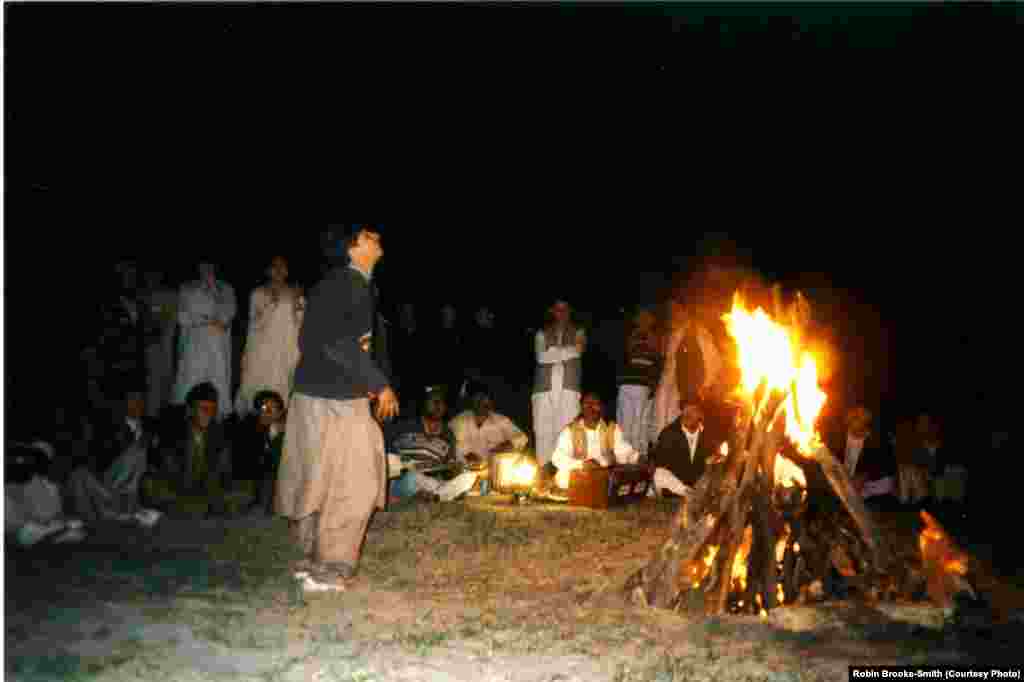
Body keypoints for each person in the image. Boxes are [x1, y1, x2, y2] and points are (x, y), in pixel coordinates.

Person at [275, 223, 399, 590]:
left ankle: (309, 557)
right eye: (369, 235)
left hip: (312, 396)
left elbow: (309, 337)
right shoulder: (351, 284)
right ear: (353, 246)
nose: (378, 238)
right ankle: (330, 568)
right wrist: (378, 384)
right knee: (356, 480)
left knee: (317, 476)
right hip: (338, 400)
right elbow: (338, 341)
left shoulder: (330, 284)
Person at [67, 385, 163, 528]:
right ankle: (115, 513)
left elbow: (159, 459)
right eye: (132, 400)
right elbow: (100, 461)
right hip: (114, 482)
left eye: (140, 400)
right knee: (79, 476)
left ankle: (128, 512)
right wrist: (133, 447)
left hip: (143, 483)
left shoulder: (153, 425)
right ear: (124, 403)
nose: (137, 404)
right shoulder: (109, 428)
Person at [152, 382, 235, 517]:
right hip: (178, 491)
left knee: (243, 491)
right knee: (150, 487)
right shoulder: (174, 434)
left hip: (206, 493)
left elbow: (223, 474)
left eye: (212, 410)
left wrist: (214, 491)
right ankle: (194, 508)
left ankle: (198, 508)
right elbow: (168, 471)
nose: (208, 414)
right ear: (190, 410)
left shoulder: (220, 435)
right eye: (203, 409)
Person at [235, 256, 305, 416]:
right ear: (268, 271)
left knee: (283, 387)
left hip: (285, 350)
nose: (279, 270)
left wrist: (298, 302)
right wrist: (272, 302)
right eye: (275, 266)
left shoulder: (294, 292)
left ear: (287, 271)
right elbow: (255, 323)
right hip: (263, 350)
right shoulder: (258, 293)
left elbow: (300, 321)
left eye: (283, 266)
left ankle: (279, 423)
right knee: (260, 384)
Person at [387, 386, 477, 503]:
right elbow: (387, 454)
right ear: (424, 404)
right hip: (405, 479)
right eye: (433, 400)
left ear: (445, 407)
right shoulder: (404, 426)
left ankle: (435, 495)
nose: (437, 404)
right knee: (414, 477)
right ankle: (442, 494)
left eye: (441, 401)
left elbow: (449, 466)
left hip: (431, 480)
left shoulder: (448, 435)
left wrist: (455, 469)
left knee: (470, 476)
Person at [173, 262, 237, 419]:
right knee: (190, 386)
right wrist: (207, 320)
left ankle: (218, 425)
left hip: (218, 350)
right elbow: (182, 316)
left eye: (210, 265)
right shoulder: (187, 288)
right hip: (194, 348)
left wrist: (217, 320)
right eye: (203, 265)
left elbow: (229, 313)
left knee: (218, 387)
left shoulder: (226, 289)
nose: (207, 269)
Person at [532, 300, 585, 467]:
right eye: (557, 309)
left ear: (570, 311)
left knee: (567, 432)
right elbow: (541, 357)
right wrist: (567, 351)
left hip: (569, 388)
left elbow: (578, 351)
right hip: (543, 389)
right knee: (542, 431)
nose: (561, 313)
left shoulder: (579, 332)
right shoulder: (541, 333)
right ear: (552, 312)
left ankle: (564, 477)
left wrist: (553, 351)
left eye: (565, 309)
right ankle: (542, 471)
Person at [550, 392, 640, 490]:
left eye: (595, 404)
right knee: (563, 477)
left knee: (628, 473)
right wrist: (582, 464)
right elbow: (558, 457)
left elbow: (624, 451)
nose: (590, 407)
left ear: (602, 408)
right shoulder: (570, 430)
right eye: (587, 403)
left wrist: (639, 458)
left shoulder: (611, 428)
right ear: (581, 407)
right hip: (581, 472)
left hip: (605, 473)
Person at [6, 442, 87, 546]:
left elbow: (56, 514)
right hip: (26, 528)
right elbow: (17, 516)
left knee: (75, 525)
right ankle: (53, 538)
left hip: (46, 526)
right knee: (28, 530)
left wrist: (59, 521)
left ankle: (54, 537)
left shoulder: (51, 486)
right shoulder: (16, 482)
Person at [647, 394, 726, 498]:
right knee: (659, 474)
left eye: (693, 410)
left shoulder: (708, 437)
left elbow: (712, 466)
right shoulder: (669, 434)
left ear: (701, 415)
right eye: (685, 409)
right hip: (673, 489)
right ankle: (688, 493)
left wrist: (713, 462)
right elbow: (660, 467)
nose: (687, 414)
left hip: (698, 487)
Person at [449, 383, 530, 474]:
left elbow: (522, 439)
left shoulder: (501, 420)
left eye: (484, 398)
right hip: (464, 473)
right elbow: (451, 439)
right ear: (471, 400)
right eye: (477, 397)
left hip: (495, 473)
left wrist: (505, 446)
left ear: (491, 401)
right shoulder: (460, 420)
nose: (481, 401)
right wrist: (468, 456)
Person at [232, 390, 287, 515]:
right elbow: (249, 459)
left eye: (272, 409)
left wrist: (274, 434)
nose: (266, 412)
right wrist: (270, 433)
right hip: (248, 482)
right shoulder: (247, 427)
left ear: (280, 412)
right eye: (263, 408)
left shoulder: (287, 432)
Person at [616, 309, 662, 456]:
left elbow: (657, 357)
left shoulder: (654, 337)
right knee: (624, 421)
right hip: (626, 382)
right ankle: (623, 457)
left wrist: (653, 386)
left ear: (651, 321)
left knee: (639, 422)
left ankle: (637, 458)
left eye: (646, 318)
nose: (643, 321)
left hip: (642, 383)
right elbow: (626, 354)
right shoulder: (632, 335)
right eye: (640, 318)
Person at [142, 268, 178, 418]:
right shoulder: (146, 296)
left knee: (165, 390)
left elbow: (162, 322)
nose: (152, 279)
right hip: (153, 352)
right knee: (154, 391)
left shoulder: (170, 295)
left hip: (168, 351)